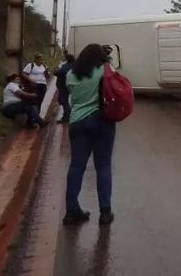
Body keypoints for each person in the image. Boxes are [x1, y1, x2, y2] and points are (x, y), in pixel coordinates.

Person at [64, 44, 116, 226]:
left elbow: (73, 96)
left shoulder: (70, 75)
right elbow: (115, 81)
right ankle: (105, 212)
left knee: (76, 166)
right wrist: (107, 60)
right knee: (103, 165)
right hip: (102, 121)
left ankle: (71, 211)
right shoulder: (103, 70)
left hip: (77, 122)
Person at [54, 53, 76, 123]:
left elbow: (57, 72)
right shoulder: (74, 65)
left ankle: (66, 117)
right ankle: (67, 116)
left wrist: (56, 69)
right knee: (65, 101)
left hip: (63, 86)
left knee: (64, 102)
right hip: (69, 85)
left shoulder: (67, 66)